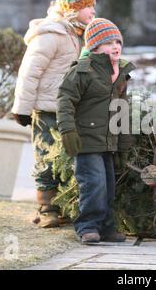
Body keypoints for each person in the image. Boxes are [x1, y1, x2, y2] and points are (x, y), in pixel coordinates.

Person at [11, 0, 96, 228]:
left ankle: (65, 203)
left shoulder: (78, 34)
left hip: (69, 111)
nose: (93, 11)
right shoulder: (51, 35)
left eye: (93, 5)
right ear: (71, 8)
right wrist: (22, 109)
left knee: (69, 157)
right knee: (46, 157)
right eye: (88, 6)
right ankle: (46, 206)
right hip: (46, 109)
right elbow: (30, 72)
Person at [57, 18, 135, 244]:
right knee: (94, 183)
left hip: (108, 141)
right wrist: (67, 131)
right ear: (94, 46)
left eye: (118, 41)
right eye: (108, 42)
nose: (115, 46)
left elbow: (122, 110)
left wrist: (123, 145)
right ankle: (87, 226)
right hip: (86, 140)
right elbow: (64, 100)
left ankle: (106, 227)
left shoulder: (120, 73)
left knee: (109, 186)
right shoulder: (83, 71)